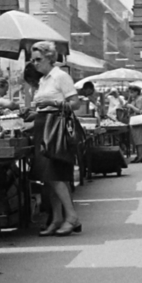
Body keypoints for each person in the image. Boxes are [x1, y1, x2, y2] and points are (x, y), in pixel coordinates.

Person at [28, 41, 82, 235]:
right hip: (43, 125)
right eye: (33, 60)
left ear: (50, 58)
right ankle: (58, 218)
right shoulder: (43, 80)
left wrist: (52, 101)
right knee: (48, 177)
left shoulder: (60, 76)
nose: (35, 63)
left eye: (38, 59)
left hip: (56, 128)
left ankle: (72, 216)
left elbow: (75, 104)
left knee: (55, 175)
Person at [127, 87, 142, 163]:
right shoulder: (134, 99)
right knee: (136, 138)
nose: (131, 94)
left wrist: (131, 106)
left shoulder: (140, 99)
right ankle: (138, 155)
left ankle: (140, 156)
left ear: (137, 92)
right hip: (134, 120)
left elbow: (139, 110)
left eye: (132, 92)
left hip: (138, 120)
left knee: (139, 139)